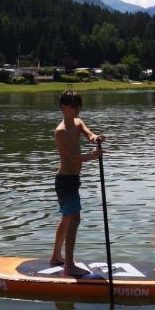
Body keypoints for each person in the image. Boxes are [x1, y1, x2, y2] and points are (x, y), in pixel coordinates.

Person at [50, 90, 106, 278]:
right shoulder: (61, 132)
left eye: (79, 106)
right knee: (74, 219)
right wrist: (92, 156)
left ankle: (56, 257)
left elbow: (88, 134)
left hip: (73, 180)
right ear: (64, 107)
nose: (78, 109)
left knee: (67, 218)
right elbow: (73, 159)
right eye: (74, 106)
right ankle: (69, 266)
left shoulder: (78, 123)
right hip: (65, 181)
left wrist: (95, 138)